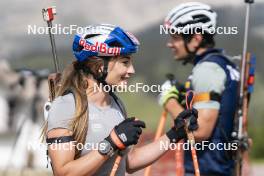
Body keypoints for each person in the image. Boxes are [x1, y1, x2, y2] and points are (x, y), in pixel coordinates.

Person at [42, 24, 198, 176]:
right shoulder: (66, 106)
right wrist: (111, 143)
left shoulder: (116, 104)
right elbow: (63, 172)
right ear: (99, 66)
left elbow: (129, 161)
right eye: (125, 62)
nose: (132, 70)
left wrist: (174, 134)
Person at [158, 2, 240, 176]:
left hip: (206, 169)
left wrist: (169, 100)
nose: (170, 44)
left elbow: (200, 132)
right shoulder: (223, 64)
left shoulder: (207, 69)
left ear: (195, 38)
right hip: (220, 167)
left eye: (175, 38)